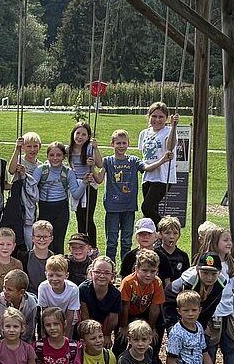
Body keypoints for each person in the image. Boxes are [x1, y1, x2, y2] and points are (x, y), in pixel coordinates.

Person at [102, 129, 156, 261]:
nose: (121, 146)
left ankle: (125, 269)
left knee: (127, 241)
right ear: (112, 144)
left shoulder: (133, 160)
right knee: (111, 241)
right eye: (118, 143)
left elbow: (147, 168)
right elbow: (98, 172)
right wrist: (94, 148)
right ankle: (111, 269)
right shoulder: (108, 161)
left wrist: (163, 160)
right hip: (112, 207)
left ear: (128, 144)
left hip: (129, 207)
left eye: (124, 143)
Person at [31, 141, 85, 254]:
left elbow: (76, 194)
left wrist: (84, 183)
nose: (55, 158)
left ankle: (59, 267)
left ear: (64, 157)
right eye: (51, 155)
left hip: (61, 209)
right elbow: (31, 188)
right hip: (44, 208)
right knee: (43, 240)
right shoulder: (41, 170)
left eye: (58, 155)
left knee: (58, 241)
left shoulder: (68, 172)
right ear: (47, 156)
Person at [166, 290, 217, 364]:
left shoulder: (198, 326)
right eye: (186, 310)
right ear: (179, 311)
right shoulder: (177, 333)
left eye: (194, 310)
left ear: (200, 310)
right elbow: (170, 362)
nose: (190, 314)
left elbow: (204, 352)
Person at [138, 102, 178, 223]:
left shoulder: (169, 131)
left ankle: (166, 229)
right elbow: (144, 154)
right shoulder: (144, 133)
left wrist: (174, 126)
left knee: (146, 207)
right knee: (150, 212)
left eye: (161, 117)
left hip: (163, 176)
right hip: (148, 176)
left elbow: (170, 146)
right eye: (154, 116)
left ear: (166, 118)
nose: (157, 119)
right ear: (149, 116)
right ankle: (154, 238)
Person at [69, 122, 104, 241]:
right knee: (79, 217)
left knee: (88, 217)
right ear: (73, 134)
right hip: (77, 186)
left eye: (84, 134)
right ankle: (82, 243)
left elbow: (100, 164)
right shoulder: (69, 149)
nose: (80, 137)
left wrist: (96, 148)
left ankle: (92, 246)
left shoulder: (90, 148)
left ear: (88, 137)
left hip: (90, 186)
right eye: (77, 133)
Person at [8, 132, 42, 250]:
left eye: (35, 146)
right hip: (17, 202)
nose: (32, 149)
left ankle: (28, 252)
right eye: (28, 146)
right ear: (23, 147)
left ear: (40, 147)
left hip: (30, 205)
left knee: (28, 232)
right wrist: (17, 149)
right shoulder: (20, 161)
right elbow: (11, 170)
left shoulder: (40, 166)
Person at [79, 256, 122, 344]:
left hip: (105, 324)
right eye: (97, 272)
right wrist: (89, 335)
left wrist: (106, 335)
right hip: (87, 323)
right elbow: (84, 314)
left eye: (106, 273)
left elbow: (113, 319)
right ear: (91, 273)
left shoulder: (115, 294)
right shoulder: (83, 289)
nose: (101, 276)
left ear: (112, 276)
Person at [0, 270, 38, 343]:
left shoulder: (31, 304)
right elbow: (0, 325)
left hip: (24, 340)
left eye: (9, 290)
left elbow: (30, 329)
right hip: (4, 338)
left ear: (21, 292)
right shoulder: (1, 300)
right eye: (4, 287)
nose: (5, 292)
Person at [25, 221, 56, 292]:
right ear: (32, 238)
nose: (41, 240)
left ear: (51, 238)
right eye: (38, 236)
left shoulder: (55, 259)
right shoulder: (25, 258)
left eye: (45, 237)